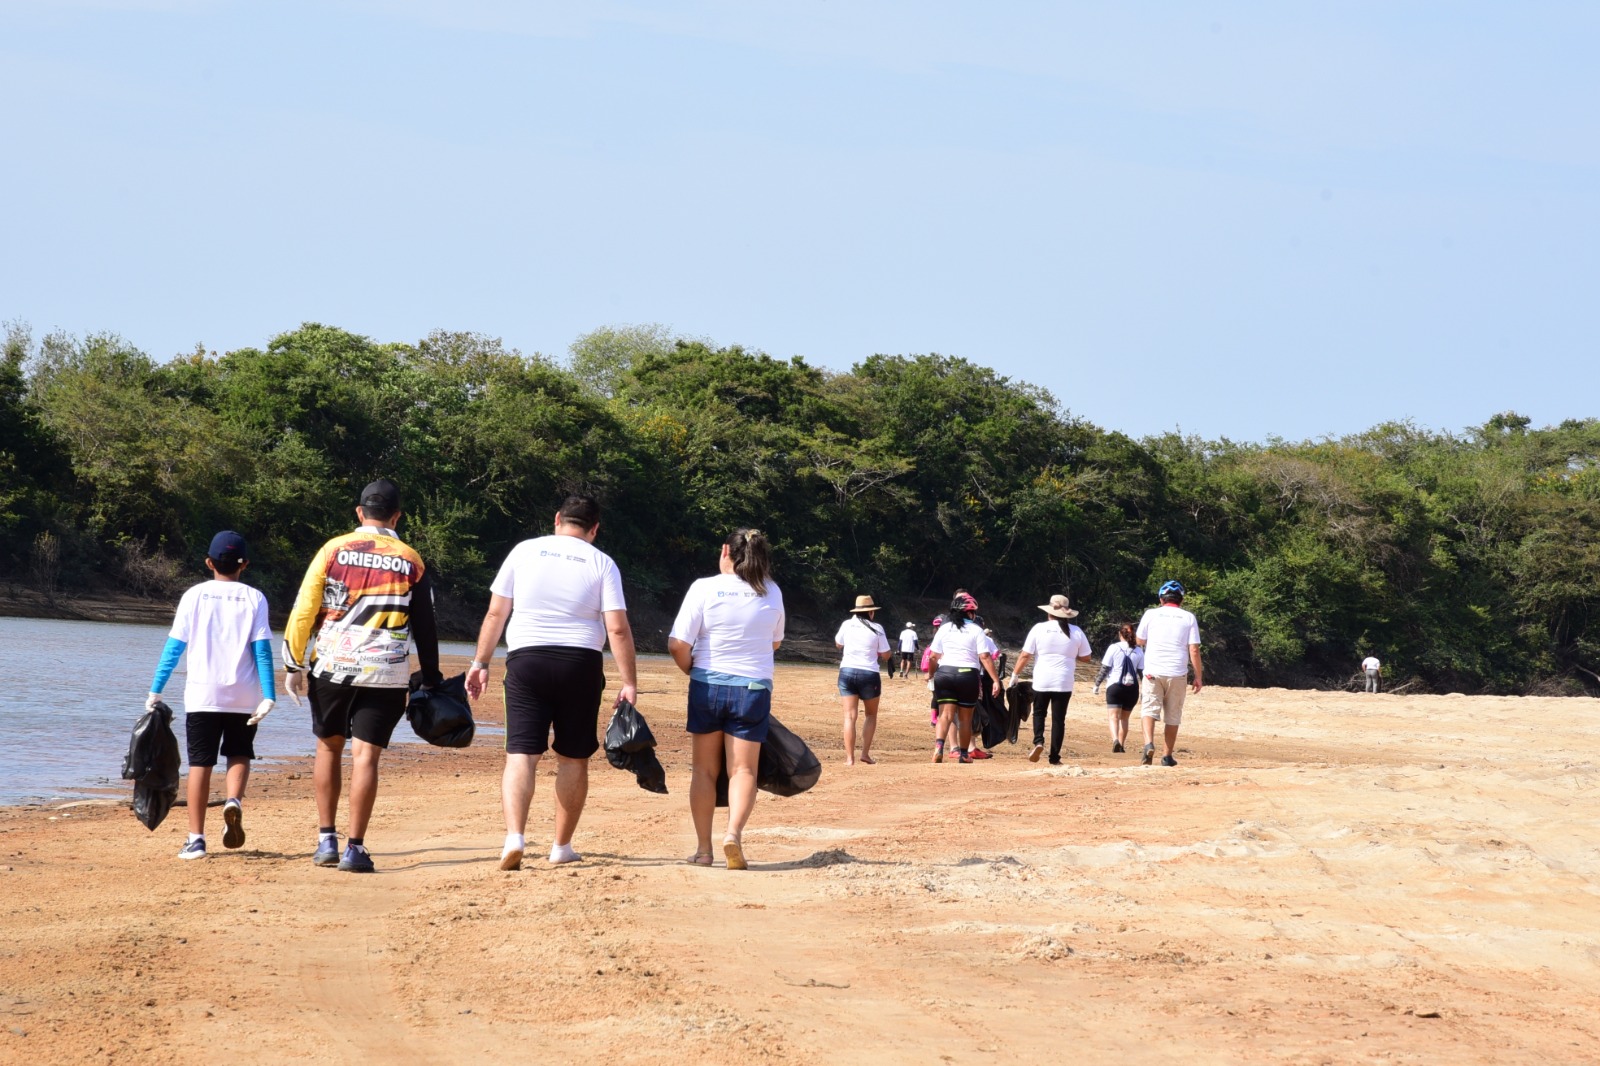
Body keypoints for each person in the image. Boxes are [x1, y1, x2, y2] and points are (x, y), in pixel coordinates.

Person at [465, 495, 638, 870]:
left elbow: (497, 611)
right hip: (580, 664)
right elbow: (618, 628)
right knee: (573, 757)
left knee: (521, 754)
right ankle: (561, 847)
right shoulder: (602, 562)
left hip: (528, 661)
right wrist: (629, 681)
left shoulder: (524, 551)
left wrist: (480, 662)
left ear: (557, 519)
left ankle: (515, 837)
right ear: (594, 530)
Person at [283, 479, 442, 873]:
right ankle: (355, 848)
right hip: (386, 670)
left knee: (328, 748)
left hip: (333, 666)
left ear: (359, 513)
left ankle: (325, 841)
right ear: (397, 516)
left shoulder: (332, 550)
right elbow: (425, 624)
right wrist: (432, 673)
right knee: (366, 756)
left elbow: (305, 608)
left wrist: (292, 663)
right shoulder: (411, 560)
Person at [146, 531, 277, 860]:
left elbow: (174, 648)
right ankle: (233, 801)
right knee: (239, 753)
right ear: (244, 564)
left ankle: (196, 839)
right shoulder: (255, 598)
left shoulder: (194, 596)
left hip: (203, 694)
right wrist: (269, 695)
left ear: (209, 562)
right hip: (244, 694)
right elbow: (262, 651)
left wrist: (156, 689)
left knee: (200, 763)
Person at [668, 528, 785, 870]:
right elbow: (775, 642)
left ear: (725, 551)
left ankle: (704, 850)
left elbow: (677, 644)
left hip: (708, 684)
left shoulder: (703, 587)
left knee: (704, 770)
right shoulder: (771, 591)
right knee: (744, 769)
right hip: (753, 689)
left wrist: (694, 671)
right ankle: (733, 834)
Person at [1009, 596, 1094, 765]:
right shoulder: (1076, 631)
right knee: (1058, 719)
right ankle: (1055, 757)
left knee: (1039, 712)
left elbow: (1026, 655)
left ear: (1049, 612)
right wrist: (1069, 654)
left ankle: (1038, 741)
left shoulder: (1039, 628)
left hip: (1042, 679)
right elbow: (1087, 657)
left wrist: (1015, 675)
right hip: (1064, 680)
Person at [927, 592, 1001, 764]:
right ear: (970, 613)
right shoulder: (977, 630)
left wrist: (931, 674)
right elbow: (985, 657)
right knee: (965, 718)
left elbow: (932, 657)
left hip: (944, 674)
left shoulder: (944, 628)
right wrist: (995, 680)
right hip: (968, 675)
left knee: (945, 715)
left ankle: (939, 748)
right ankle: (964, 754)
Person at [1135, 580, 1202, 767]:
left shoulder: (1151, 614)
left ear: (1161, 599)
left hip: (1153, 671)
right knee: (1173, 715)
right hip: (1177, 673)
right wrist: (1198, 676)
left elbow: (1140, 640)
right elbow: (1194, 650)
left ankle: (1148, 743)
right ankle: (1167, 756)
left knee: (1148, 709)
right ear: (1181, 600)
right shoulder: (1188, 617)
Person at [1093, 623, 1144, 753]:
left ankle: (1115, 740)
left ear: (1120, 634)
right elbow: (1142, 673)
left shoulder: (1113, 647)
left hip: (1115, 686)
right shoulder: (1138, 650)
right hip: (1132, 688)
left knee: (1113, 716)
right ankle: (1121, 744)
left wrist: (1097, 684)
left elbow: (1105, 669)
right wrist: (1145, 690)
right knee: (1125, 718)